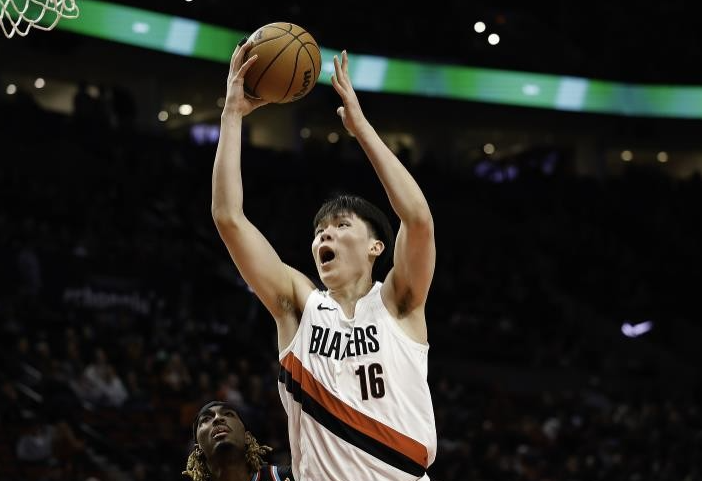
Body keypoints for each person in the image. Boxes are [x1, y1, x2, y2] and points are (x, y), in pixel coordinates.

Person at [212, 40, 436, 480]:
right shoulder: (299, 305)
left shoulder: (399, 304)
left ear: (376, 247)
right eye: (318, 232)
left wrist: (361, 128)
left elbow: (418, 220)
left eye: (341, 225)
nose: (324, 235)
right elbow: (228, 218)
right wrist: (231, 114)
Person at [183, 401, 293, 481]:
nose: (217, 418)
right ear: (197, 449)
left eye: (228, 414)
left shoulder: (288, 477)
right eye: (206, 419)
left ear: (247, 437)